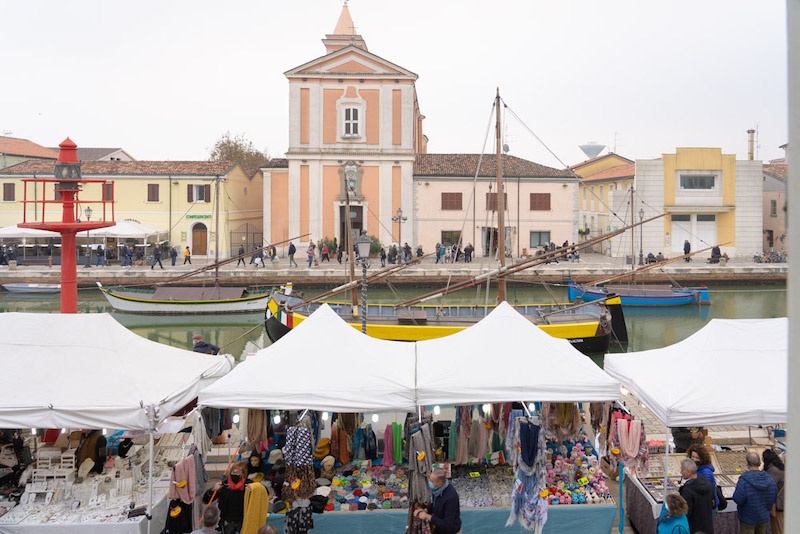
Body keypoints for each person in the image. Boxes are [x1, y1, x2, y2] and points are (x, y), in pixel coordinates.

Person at [733, 451, 778, 534]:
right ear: (760, 463)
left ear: (746, 463)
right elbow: (773, 497)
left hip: (747, 518)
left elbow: (737, 499)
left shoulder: (744, 480)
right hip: (763, 517)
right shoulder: (770, 479)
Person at [413, 468, 461, 534]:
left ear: (440, 483)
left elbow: (447, 525)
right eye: (430, 479)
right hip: (439, 528)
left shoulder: (451, 498)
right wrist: (425, 510)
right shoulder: (437, 490)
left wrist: (428, 516)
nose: (429, 483)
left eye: (432, 481)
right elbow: (436, 504)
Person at [204, 462, 247, 534]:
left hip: (242, 521)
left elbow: (264, 491)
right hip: (226, 522)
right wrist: (212, 490)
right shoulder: (224, 485)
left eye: (238, 472)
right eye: (233, 472)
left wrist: (254, 488)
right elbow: (206, 500)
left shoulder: (248, 485)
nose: (235, 475)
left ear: (243, 474)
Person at [678, 458, 714, 534]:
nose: (681, 472)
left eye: (682, 470)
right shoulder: (707, 484)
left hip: (694, 528)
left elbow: (686, 512)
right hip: (707, 527)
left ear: (688, 471)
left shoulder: (688, 489)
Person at [687, 444, 720, 516]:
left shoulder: (706, 472)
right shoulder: (698, 468)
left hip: (707, 507)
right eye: (692, 457)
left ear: (702, 458)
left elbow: (704, 490)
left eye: (697, 458)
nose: (694, 460)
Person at [762, 449, 784, 534]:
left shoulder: (773, 471)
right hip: (785, 504)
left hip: (779, 505)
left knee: (778, 530)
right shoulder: (782, 467)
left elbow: (770, 489)